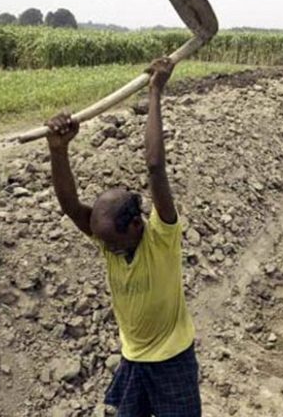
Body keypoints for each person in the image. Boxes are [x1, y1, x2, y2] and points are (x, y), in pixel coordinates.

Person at [45, 58, 201, 417]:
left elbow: (155, 167)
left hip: (172, 358)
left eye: (112, 242)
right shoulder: (109, 239)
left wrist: (156, 92)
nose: (106, 249)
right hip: (133, 357)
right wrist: (58, 150)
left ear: (136, 225)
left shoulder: (162, 236)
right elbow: (71, 206)